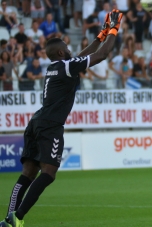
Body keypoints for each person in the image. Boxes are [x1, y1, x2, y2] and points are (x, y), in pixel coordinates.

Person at [0, 9, 123, 227]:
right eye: (66, 48)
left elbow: (80, 57)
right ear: (60, 53)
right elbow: (101, 56)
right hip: (50, 125)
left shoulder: (55, 67)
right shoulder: (66, 67)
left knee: (27, 174)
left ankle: (8, 218)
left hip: (36, 121)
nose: (69, 50)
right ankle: (18, 217)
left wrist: (100, 36)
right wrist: (114, 30)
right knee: (48, 174)